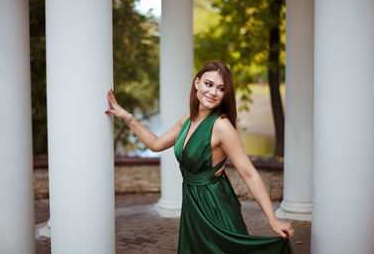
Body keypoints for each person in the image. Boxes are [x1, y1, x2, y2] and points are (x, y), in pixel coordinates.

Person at [105, 61, 294, 253]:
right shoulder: (187, 119)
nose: (213, 92)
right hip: (193, 205)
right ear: (197, 83)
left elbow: (249, 174)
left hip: (215, 207)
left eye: (221, 89)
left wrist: (272, 219)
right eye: (209, 84)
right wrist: (126, 116)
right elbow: (156, 144)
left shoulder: (222, 126)